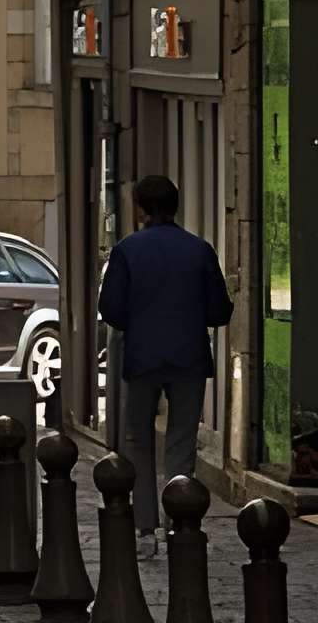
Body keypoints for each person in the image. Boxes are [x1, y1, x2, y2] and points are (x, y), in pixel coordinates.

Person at [97, 173, 233, 558]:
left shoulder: (127, 251)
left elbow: (112, 310)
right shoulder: (199, 250)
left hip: (142, 356)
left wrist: (140, 321)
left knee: (138, 440)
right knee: (182, 439)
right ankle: (180, 518)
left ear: (140, 208)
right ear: (175, 207)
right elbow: (219, 310)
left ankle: (145, 530)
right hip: (189, 356)